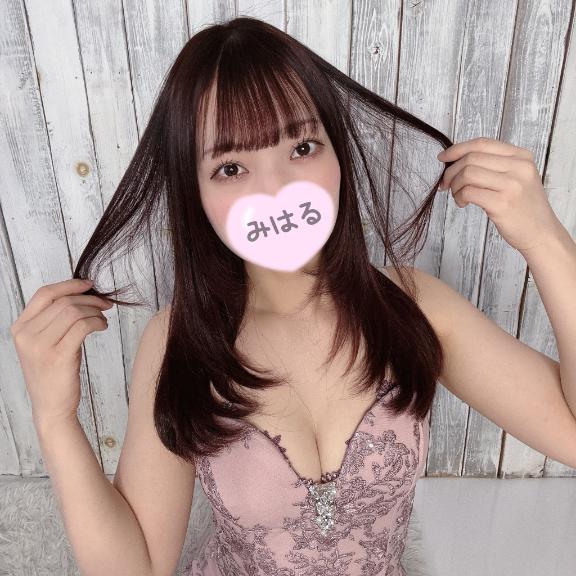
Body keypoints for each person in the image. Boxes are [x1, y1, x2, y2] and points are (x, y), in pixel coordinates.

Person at [13, 14, 575, 576]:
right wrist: (55, 419)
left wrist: (546, 241)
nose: (277, 189)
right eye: (231, 167)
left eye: (302, 147)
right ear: (195, 191)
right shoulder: (179, 341)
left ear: (338, 153)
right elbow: (135, 569)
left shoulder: (411, 306)